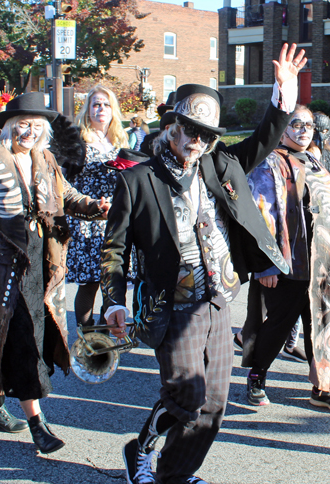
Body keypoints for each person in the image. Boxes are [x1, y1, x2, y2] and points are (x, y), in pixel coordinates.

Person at [101, 43, 305, 484]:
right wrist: (113, 300)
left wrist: (282, 98)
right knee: (186, 394)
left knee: (214, 404)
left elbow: (264, 139)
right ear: (171, 126)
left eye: (207, 134)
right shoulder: (137, 181)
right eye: (190, 130)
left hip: (218, 299)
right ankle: (141, 448)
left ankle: (174, 474)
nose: (198, 141)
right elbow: (113, 248)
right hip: (171, 305)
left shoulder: (219, 165)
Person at [0, 92, 110, 454]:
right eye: (23, 124)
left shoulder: (46, 160)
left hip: (40, 260)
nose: (30, 131)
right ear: (8, 126)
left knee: (13, 337)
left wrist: (96, 207)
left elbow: (67, 196)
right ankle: (38, 423)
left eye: (37, 126)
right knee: (20, 337)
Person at [242, 104, 330, 408]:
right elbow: (261, 214)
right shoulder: (271, 162)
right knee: (280, 322)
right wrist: (266, 264)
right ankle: (257, 376)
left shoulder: (316, 163)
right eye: (296, 124)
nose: (304, 131)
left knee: (320, 325)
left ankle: (322, 386)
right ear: (283, 128)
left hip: (321, 261)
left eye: (308, 125)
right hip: (289, 261)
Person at [66, 85, 129, 328]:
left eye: (105, 104)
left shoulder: (120, 139)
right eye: (96, 104)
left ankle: (103, 340)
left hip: (114, 218)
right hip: (87, 219)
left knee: (110, 281)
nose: (101, 108)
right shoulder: (78, 139)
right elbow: (65, 181)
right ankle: (86, 336)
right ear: (88, 110)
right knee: (90, 282)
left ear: (113, 109)